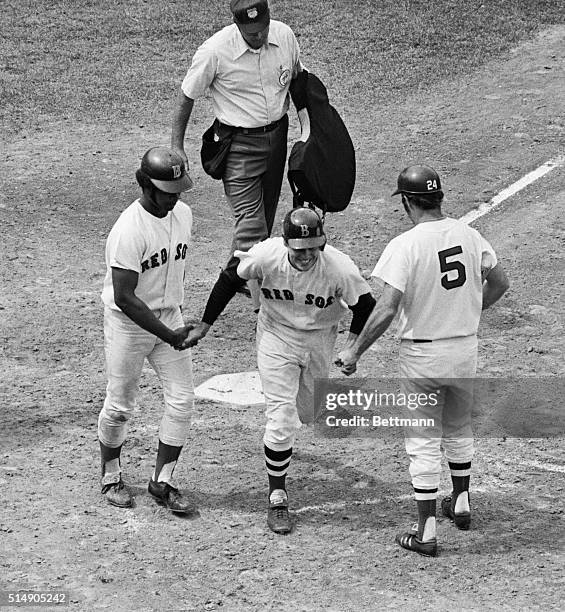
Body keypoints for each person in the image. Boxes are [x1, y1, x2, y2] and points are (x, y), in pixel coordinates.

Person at [337, 164, 509, 557]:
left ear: (408, 203)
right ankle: (462, 501)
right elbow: (500, 281)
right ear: (439, 197)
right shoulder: (470, 233)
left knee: (423, 439)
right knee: (458, 423)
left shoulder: (406, 244)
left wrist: (354, 351)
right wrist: (469, 311)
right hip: (464, 347)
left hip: (423, 354)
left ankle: (427, 531)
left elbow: (385, 308)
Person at [182, 207, 375, 533]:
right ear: (286, 244)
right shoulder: (266, 255)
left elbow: (366, 306)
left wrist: (352, 347)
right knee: (282, 417)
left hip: (318, 339)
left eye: (313, 248)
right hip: (275, 336)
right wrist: (205, 324)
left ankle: (284, 441)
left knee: (308, 413)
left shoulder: (339, 268)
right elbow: (230, 278)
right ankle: (277, 496)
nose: (306, 255)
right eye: (299, 250)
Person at [170, 0, 302, 305]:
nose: (258, 36)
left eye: (262, 29)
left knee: (264, 218)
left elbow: (297, 80)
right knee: (252, 224)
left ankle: (235, 277)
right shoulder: (215, 50)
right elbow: (187, 95)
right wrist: (176, 146)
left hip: (277, 138)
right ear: (237, 25)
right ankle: (264, 306)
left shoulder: (284, 36)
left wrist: (310, 126)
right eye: (250, 32)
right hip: (238, 146)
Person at [98, 146, 198, 515]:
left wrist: (174, 320)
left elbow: (172, 270)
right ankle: (111, 476)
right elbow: (125, 297)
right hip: (129, 324)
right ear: (144, 184)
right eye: (167, 192)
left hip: (169, 316)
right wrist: (168, 334)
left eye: (178, 192)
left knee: (183, 400)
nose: (174, 200)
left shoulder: (184, 214)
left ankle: (163, 481)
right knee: (121, 404)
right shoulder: (128, 230)